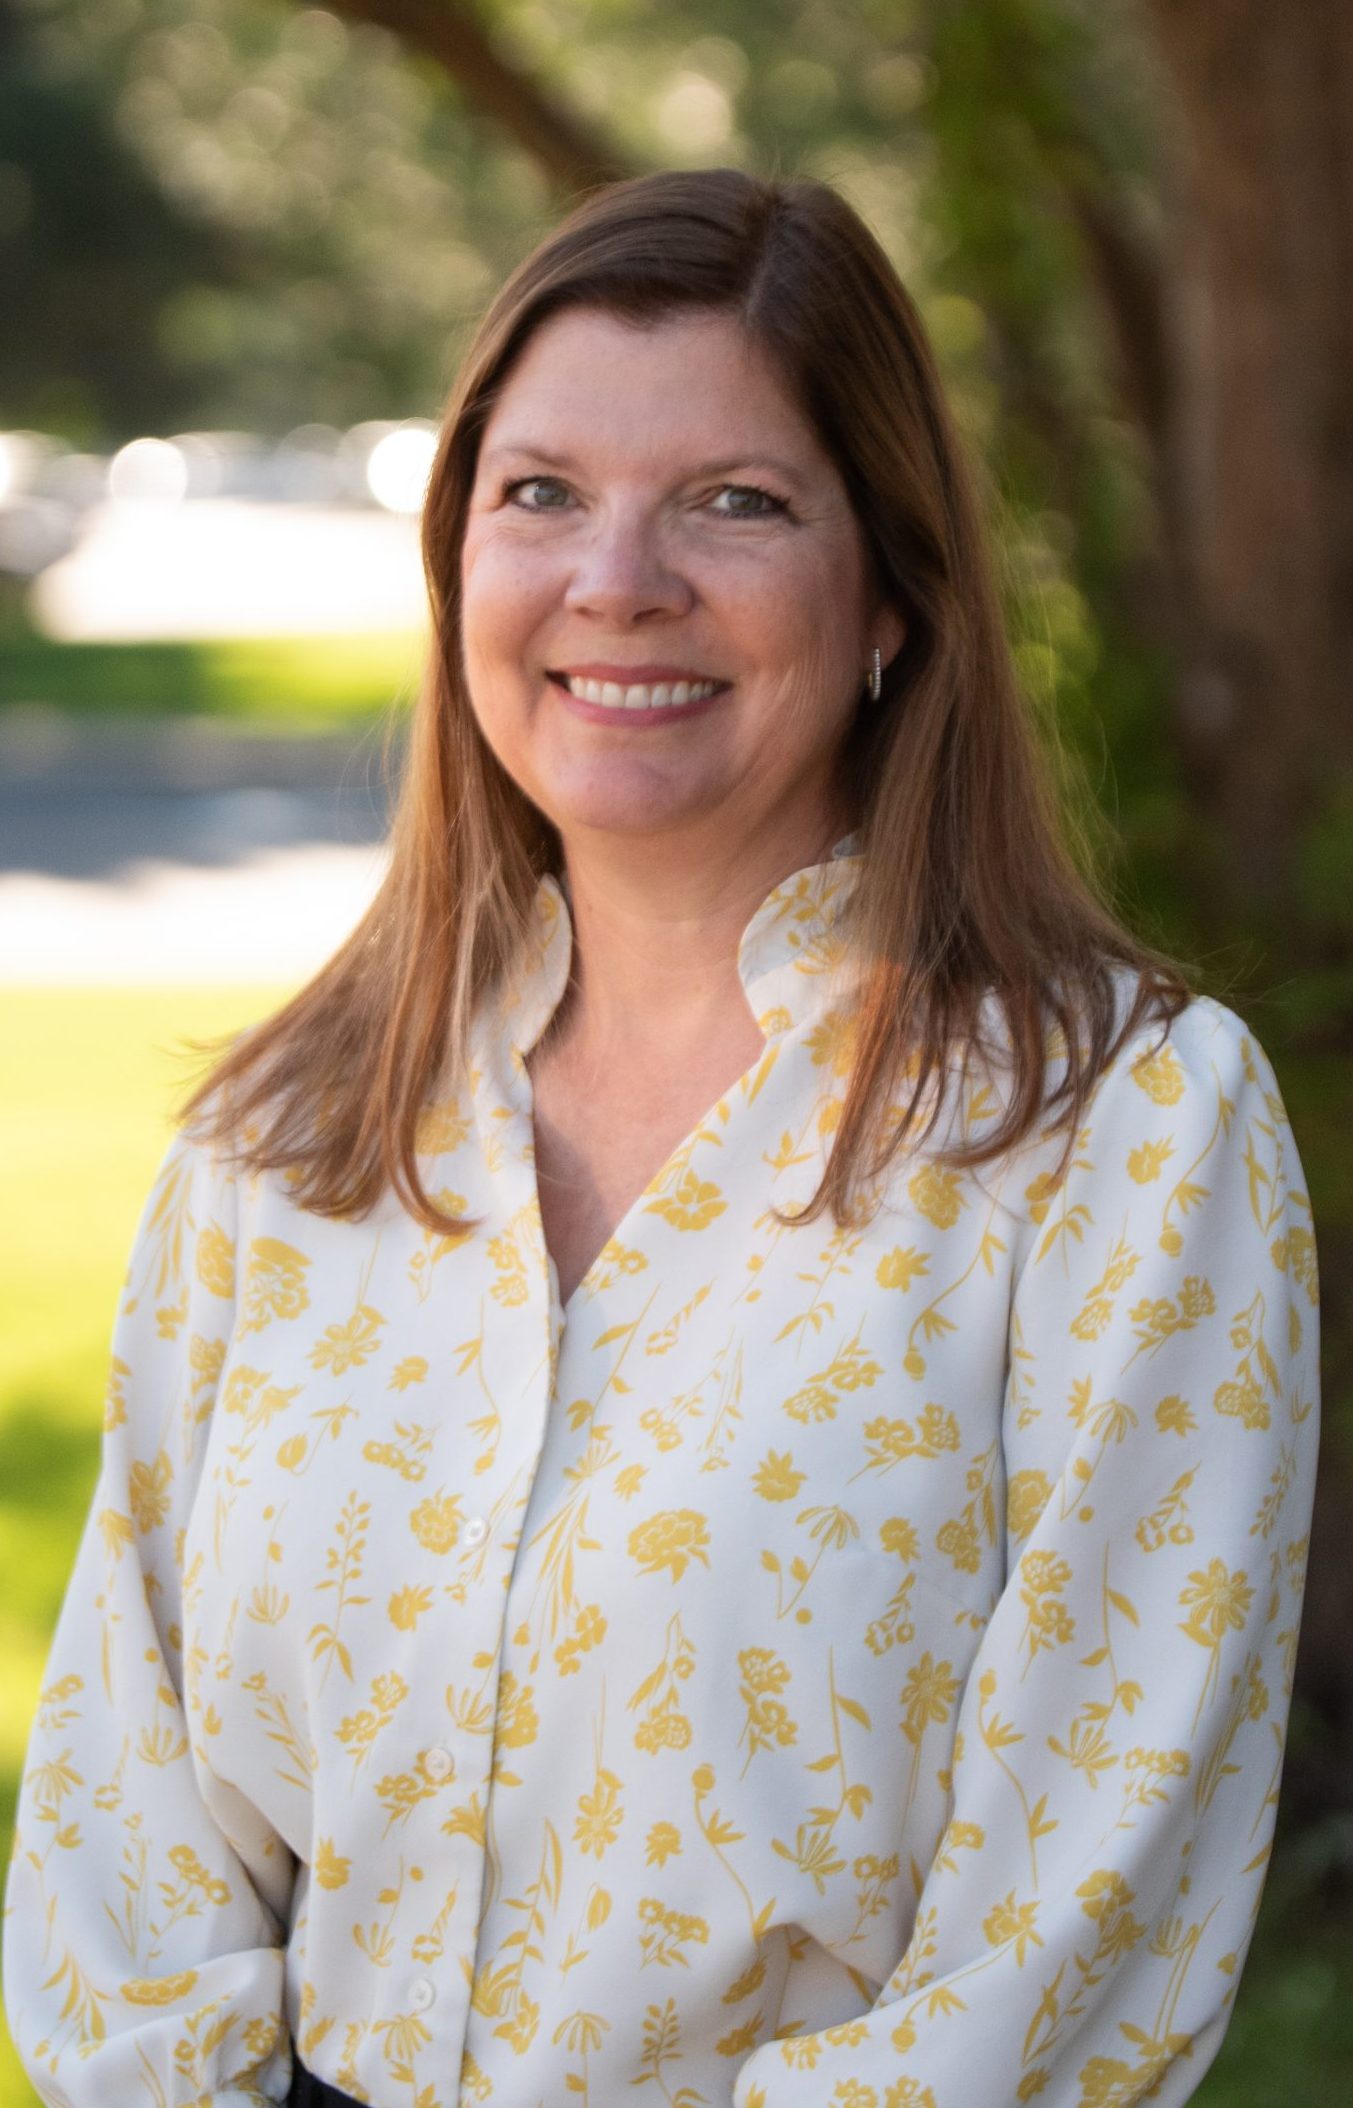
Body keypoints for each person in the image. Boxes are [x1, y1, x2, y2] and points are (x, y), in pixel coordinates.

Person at [4, 168, 1320, 2108]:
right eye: (539, 493)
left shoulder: (1119, 1137)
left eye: (735, 500)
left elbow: (1077, 1937)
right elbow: (127, 1824)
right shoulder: (283, 1143)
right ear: (460, 558)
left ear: (888, 592)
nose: (616, 579)